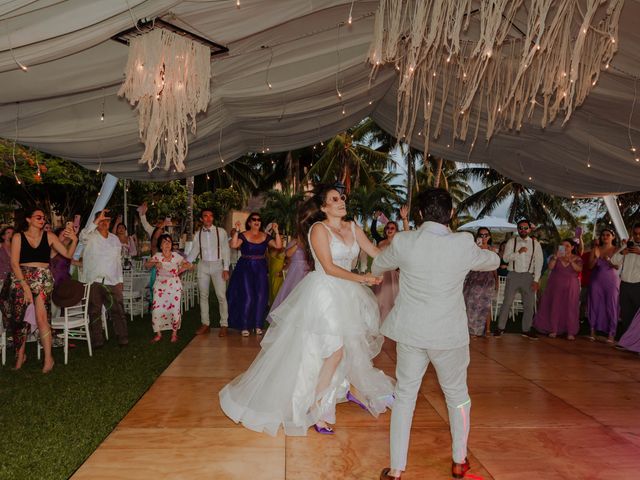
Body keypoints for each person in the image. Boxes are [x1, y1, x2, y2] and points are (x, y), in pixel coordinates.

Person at [220, 185, 393, 436]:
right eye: (334, 199)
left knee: (348, 348)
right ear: (324, 207)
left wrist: (402, 256)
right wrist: (364, 279)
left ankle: (346, 391)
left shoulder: (353, 228)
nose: (341, 201)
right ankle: (315, 407)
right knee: (334, 350)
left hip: (349, 294)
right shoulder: (318, 230)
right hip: (325, 293)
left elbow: (377, 252)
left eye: (342, 197)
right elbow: (330, 268)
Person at [373, 188, 500, 480]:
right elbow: (492, 262)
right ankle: (459, 461)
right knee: (457, 397)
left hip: (411, 332)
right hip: (448, 335)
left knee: (405, 396)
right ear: (451, 214)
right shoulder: (463, 243)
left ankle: (396, 470)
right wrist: (485, 250)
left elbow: (378, 263)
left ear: (418, 214)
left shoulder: (404, 240)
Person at [0, 208, 77, 372]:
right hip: (21, 278)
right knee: (19, 319)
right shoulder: (18, 237)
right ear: (28, 219)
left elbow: (68, 254)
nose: (42, 220)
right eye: (38, 217)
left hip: (42, 279)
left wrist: (74, 240)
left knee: (42, 319)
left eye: (44, 217)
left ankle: (48, 359)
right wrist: (25, 287)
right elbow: (14, 263)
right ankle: (20, 355)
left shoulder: (49, 236)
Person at [79, 209, 128, 348]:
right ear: (96, 222)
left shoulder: (114, 239)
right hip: (93, 280)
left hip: (112, 281)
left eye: (106, 220)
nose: (104, 222)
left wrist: (120, 280)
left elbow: (117, 261)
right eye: (101, 220)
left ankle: (122, 338)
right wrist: (95, 220)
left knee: (117, 310)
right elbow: (82, 236)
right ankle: (97, 340)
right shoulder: (90, 236)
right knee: (94, 312)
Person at [227, 213, 282, 336]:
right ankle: (245, 325)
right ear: (250, 222)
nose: (257, 221)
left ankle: (258, 325)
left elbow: (278, 246)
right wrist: (236, 231)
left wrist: (276, 231)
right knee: (248, 297)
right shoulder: (243, 235)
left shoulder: (265, 236)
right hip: (245, 268)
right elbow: (234, 245)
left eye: (259, 220)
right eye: (254, 219)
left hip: (260, 268)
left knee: (261, 296)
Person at [493, 219, 543, 339]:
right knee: (507, 302)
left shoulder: (535, 244)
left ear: (529, 229)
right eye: (520, 228)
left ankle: (526, 329)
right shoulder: (512, 241)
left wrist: (536, 279)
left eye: (525, 228)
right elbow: (505, 258)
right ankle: (500, 328)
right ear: (518, 229)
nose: (523, 230)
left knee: (529, 304)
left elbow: (539, 262)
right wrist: (518, 253)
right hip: (513, 274)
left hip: (528, 276)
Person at [185, 208, 231, 337]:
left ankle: (224, 324)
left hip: (218, 266)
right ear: (201, 219)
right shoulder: (198, 234)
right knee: (203, 296)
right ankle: (205, 324)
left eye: (211, 216)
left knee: (221, 296)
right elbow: (194, 250)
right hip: (203, 265)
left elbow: (226, 250)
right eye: (205, 216)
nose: (209, 218)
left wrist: (226, 268)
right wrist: (187, 262)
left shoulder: (221, 232)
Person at [532, 239, 582, 340]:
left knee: (570, 307)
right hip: (555, 285)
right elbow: (550, 267)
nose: (565, 248)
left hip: (571, 287)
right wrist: (555, 257)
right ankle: (553, 329)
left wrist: (571, 261)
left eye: (567, 245)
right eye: (562, 245)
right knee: (555, 306)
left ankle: (570, 331)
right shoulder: (555, 257)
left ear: (572, 247)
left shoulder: (577, 258)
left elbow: (579, 269)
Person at [146, 234, 192, 343]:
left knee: (174, 309)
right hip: (160, 286)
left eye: (169, 242)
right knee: (157, 309)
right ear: (160, 245)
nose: (167, 244)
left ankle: (174, 333)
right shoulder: (157, 256)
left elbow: (189, 265)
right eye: (164, 242)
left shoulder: (176, 256)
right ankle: (158, 333)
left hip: (174, 286)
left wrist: (184, 267)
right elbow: (146, 265)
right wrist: (154, 263)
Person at [373, 206, 409, 322]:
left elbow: (408, 234)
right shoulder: (380, 241)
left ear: (396, 230)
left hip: (394, 275)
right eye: (388, 227)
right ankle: (380, 321)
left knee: (393, 300)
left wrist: (404, 219)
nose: (389, 229)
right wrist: (374, 218)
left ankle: (392, 323)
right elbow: (373, 231)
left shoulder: (399, 241)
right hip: (381, 275)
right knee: (380, 299)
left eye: (392, 228)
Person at [463, 227, 498, 337]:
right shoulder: (473, 249)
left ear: (489, 236)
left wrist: (496, 280)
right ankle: (471, 330)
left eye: (486, 235)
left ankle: (486, 330)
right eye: (481, 235)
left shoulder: (493, 250)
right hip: (474, 278)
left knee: (485, 305)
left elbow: (494, 266)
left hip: (487, 279)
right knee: (471, 304)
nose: (483, 237)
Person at [587, 228, 621, 342]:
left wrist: (609, 261)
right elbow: (590, 267)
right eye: (603, 235)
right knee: (594, 304)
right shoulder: (596, 249)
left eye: (608, 235)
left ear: (613, 237)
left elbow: (618, 267)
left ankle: (611, 334)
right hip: (596, 280)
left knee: (612, 305)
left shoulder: (617, 250)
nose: (605, 237)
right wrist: (596, 257)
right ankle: (592, 331)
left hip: (612, 280)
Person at [267, 233, 310, 318]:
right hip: (294, 271)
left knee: (304, 295)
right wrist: (297, 244)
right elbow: (288, 255)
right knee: (291, 294)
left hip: (306, 270)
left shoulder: (309, 241)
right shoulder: (293, 242)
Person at [610, 223, 640, 337]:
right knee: (626, 314)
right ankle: (627, 341)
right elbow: (613, 261)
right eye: (635, 233)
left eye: (639, 234)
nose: (637, 236)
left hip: (638, 285)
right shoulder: (627, 244)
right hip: (625, 285)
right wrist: (623, 252)